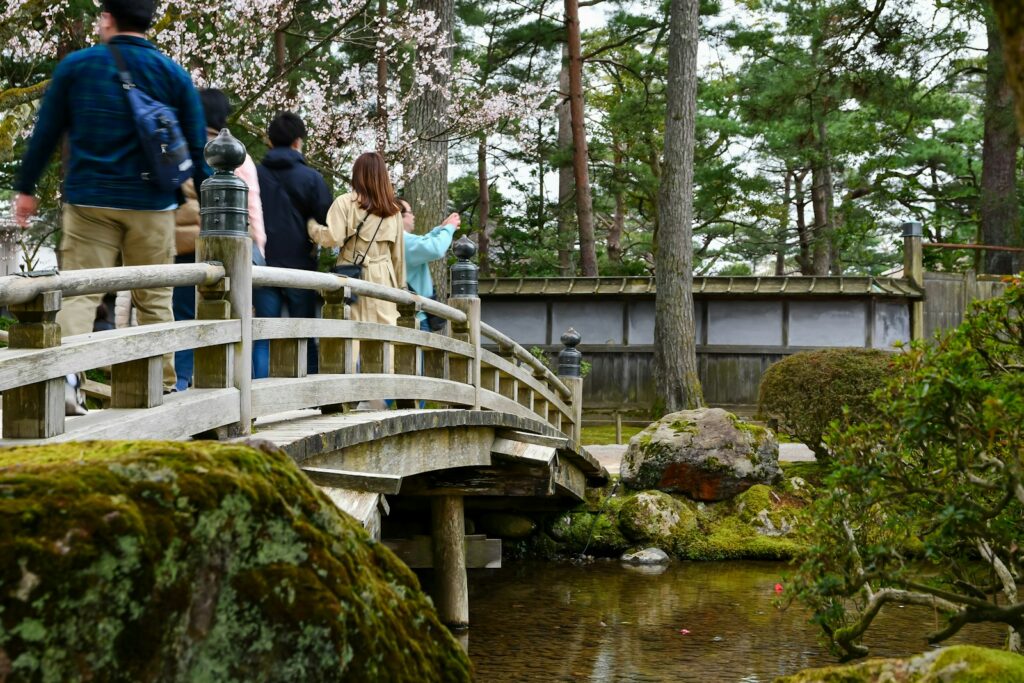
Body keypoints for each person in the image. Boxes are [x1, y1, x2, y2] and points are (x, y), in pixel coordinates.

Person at [12, 0, 208, 409]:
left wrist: (26, 188)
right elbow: (195, 146)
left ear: (107, 19)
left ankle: (65, 382)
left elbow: (46, 132)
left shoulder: (78, 67)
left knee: (80, 295)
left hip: (90, 200)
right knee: (153, 298)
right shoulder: (172, 73)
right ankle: (157, 389)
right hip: (153, 205)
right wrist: (211, 199)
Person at [173, 88, 265, 391]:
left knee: (183, 318)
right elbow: (252, 209)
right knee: (228, 318)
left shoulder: (178, 148)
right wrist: (256, 250)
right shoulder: (240, 156)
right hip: (228, 256)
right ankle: (230, 388)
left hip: (180, 248)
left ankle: (181, 383)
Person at [253, 111, 332, 378]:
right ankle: (307, 394)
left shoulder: (256, 174)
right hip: (300, 267)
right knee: (303, 332)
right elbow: (326, 217)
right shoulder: (311, 178)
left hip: (263, 264)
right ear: (298, 142)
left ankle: (257, 399)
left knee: (263, 334)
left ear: (270, 142)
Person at [308, 152, 405, 328]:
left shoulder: (345, 202)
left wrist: (313, 229)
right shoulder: (394, 211)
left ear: (357, 174)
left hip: (351, 274)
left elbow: (333, 238)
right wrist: (401, 290)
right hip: (383, 279)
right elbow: (398, 256)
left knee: (347, 333)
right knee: (383, 336)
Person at [401, 199, 459, 331]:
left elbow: (423, 241)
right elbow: (435, 248)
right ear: (399, 217)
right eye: (410, 212)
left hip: (413, 314)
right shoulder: (403, 240)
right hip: (416, 317)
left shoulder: (400, 239)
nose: (413, 216)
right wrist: (449, 229)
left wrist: (441, 229)